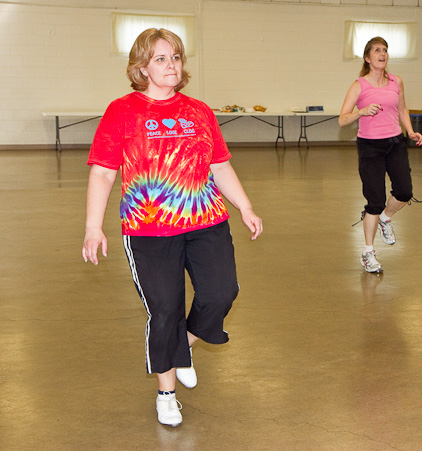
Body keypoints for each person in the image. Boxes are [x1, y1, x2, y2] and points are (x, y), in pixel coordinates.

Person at [81, 28, 262, 427]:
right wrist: (94, 226)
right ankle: (166, 394)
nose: (171, 65)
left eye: (176, 57)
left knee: (221, 293)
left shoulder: (199, 111)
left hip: (206, 221)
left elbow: (220, 165)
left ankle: (183, 346)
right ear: (141, 67)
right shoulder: (121, 111)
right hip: (148, 230)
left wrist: (245, 206)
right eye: (160, 59)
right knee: (164, 311)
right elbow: (103, 173)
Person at [339, 36, 422, 273]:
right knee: (375, 202)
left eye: (385, 50)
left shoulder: (397, 81)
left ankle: (386, 219)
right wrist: (361, 111)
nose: (382, 54)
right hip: (370, 147)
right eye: (377, 50)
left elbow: (402, 109)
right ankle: (368, 252)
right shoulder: (359, 85)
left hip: (395, 142)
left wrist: (410, 131)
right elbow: (342, 119)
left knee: (405, 191)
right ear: (367, 58)